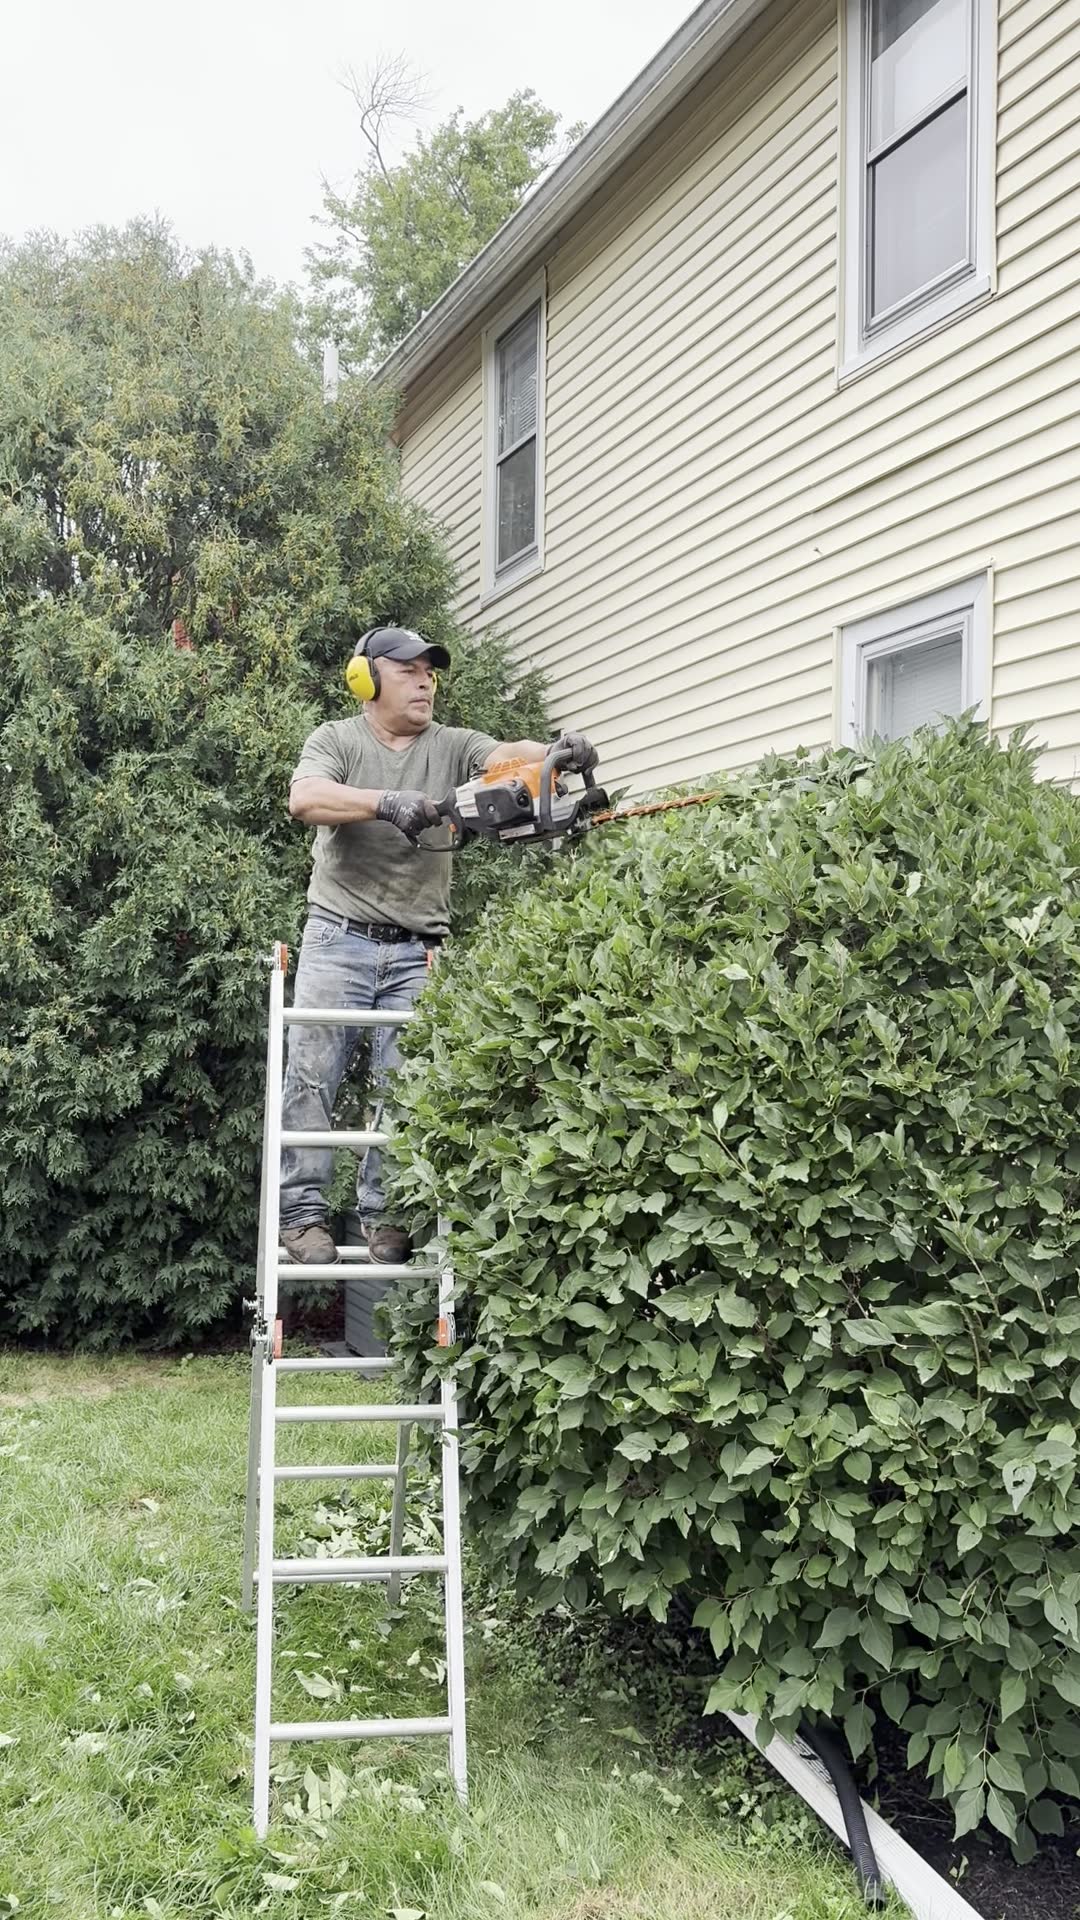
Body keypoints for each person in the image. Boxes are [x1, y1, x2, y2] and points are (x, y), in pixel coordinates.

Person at [280, 624, 597, 1267]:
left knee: (407, 1086)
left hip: (419, 949)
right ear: (366, 679)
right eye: (408, 670)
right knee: (313, 1079)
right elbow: (305, 798)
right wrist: (383, 802)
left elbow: (505, 754)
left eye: (430, 671)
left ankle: (386, 1215)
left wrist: (556, 750)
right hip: (338, 935)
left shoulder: (452, 744)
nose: (425, 680)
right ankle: (302, 1217)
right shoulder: (336, 740)